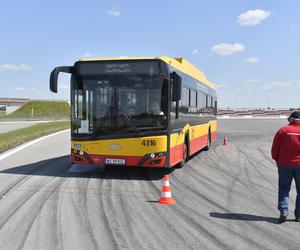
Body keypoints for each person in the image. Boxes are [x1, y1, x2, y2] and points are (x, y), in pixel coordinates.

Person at [271, 111, 300, 223]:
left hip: (284, 165)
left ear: (292, 119)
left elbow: (274, 149)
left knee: (284, 188)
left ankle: (283, 211)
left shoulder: (283, 130)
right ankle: (298, 215)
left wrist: (278, 160)